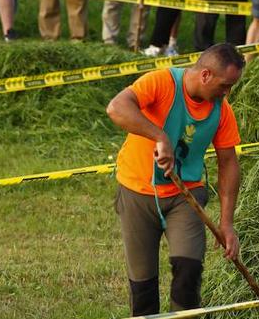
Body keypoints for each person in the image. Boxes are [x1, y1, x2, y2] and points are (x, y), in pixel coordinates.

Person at [106, 43, 244, 316]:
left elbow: (229, 163)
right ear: (205, 75)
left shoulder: (221, 110)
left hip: (186, 196)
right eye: (224, 86)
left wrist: (227, 223)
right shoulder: (161, 82)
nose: (227, 93)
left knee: (189, 272)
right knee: (143, 285)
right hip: (138, 191)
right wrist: (159, 136)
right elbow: (116, 108)